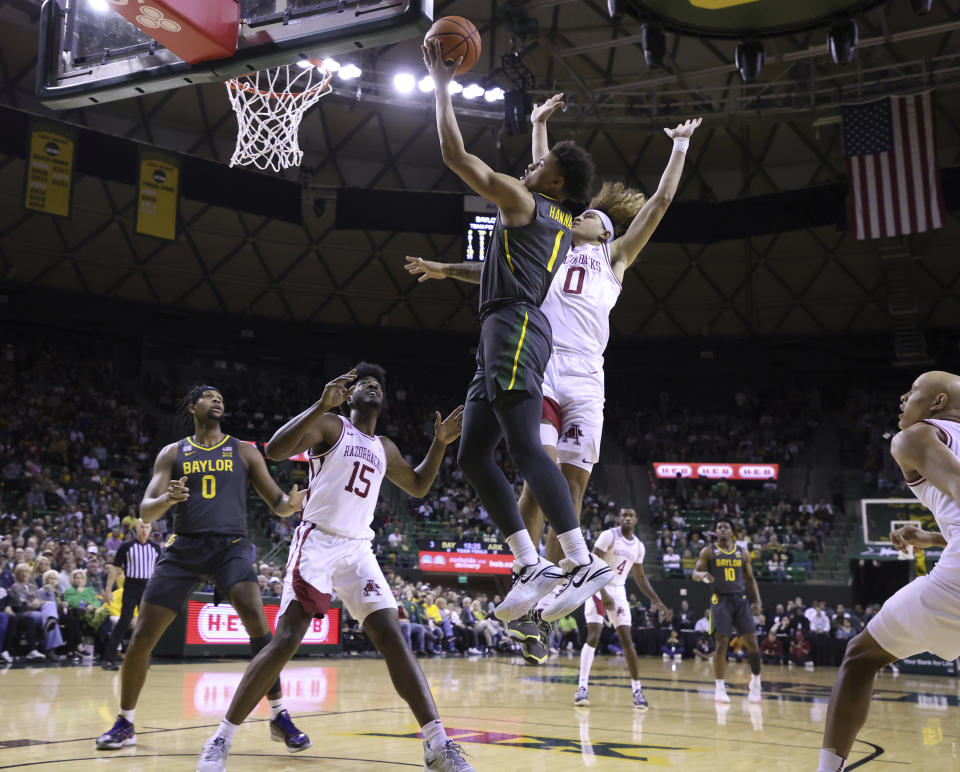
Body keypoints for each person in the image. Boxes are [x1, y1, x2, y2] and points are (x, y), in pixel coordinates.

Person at [407, 94, 700, 650]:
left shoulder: (614, 258)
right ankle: (534, 568)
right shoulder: (559, 237)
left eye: (598, 219)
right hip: (540, 358)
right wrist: (540, 127)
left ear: (606, 229)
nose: (593, 221)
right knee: (528, 464)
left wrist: (678, 150)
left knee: (569, 479)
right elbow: (541, 192)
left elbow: (658, 203)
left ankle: (557, 581)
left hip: (586, 375)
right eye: (588, 216)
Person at [195, 365, 474, 772]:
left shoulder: (385, 448)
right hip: (318, 541)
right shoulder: (329, 425)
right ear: (349, 393)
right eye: (364, 382)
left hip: (359, 549)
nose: (373, 385)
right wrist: (320, 404)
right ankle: (221, 738)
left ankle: (437, 743)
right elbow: (274, 449)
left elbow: (417, 486)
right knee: (287, 638)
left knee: (394, 638)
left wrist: (440, 444)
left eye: (379, 383)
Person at [422, 44, 613, 624]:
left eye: (541, 162)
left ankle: (582, 562)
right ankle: (531, 564)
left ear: (554, 182)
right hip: (499, 329)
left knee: (526, 447)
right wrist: (451, 269)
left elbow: (457, 155)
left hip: (515, 327)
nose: (530, 165)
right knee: (474, 456)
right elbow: (545, 188)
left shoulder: (529, 203)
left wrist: (440, 82)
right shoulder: (556, 219)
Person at [96, 385, 308, 753]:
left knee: (258, 622)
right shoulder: (172, 452)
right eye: (209, 396)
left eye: (221, 397)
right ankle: (125, 722)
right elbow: (146, 510)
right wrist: (168, 498)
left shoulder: (244, 450)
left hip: (231, 547)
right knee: (142, 636)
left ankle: (279, 714)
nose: (218, 400)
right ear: (192, 406)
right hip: (184, 548)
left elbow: (276, 502)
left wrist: (291, 504)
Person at [819, 371, 960, 772]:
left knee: (860, 658)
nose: (903, 396)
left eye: (913, 389)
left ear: (936, 403)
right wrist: (932, 539)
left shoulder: (915, 436)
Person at [572, 508, 671, 710]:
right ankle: (582, 688)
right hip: (597, 585)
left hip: (618, 589)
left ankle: (637, 691)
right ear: (619, 518)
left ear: (636, 520)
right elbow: (592, 565)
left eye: (631, 515)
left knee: (627, 638)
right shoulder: (609, 535)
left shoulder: (639, 547)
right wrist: (604, 594)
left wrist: (657, 601)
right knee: (594, 635)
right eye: (623, 515)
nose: (627, 518)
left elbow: (641, 578)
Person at [692, 517, 763, 703]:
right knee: (721, 644)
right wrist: (702, 575)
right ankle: (720, 688)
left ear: (732, 532)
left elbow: (750, 579)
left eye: (726, 527)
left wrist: (758, 601)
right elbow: (694, 573)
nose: (722, 529)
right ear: (716, 532)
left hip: (741, 599)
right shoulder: (708, 552)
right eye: (719, 527)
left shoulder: (743, 553)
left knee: (753, 643)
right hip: (719, 599)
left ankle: (755, 683)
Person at [100, 519, 162, 670]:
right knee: (124, 621)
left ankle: (143, 658)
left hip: (148, 587)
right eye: (142, 527)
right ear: (136, 529)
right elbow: (114, 569)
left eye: (147, 527)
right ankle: (108, 659)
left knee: (147, 624)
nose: (144, 530)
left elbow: (160, 570)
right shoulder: (126, 546)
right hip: (131, 586)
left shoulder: (155, 548)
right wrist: (108, 590)